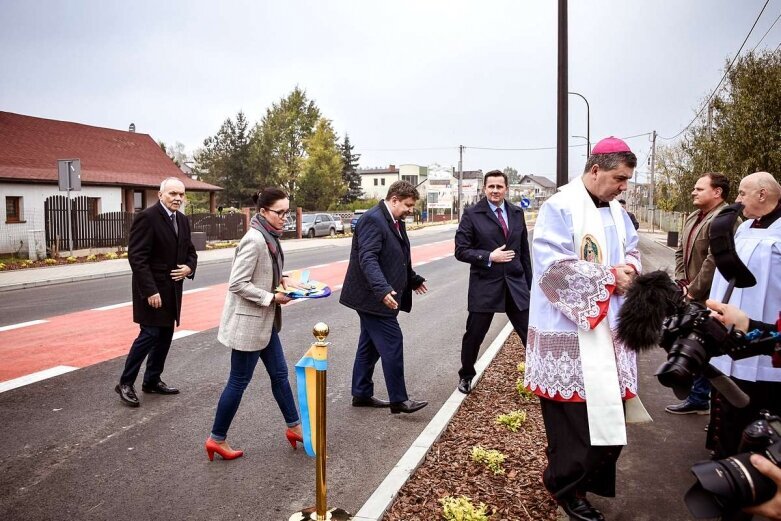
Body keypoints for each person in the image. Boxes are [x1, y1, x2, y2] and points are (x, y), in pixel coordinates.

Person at [524, 136, 642, 521]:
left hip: (610, 332)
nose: (623, 186)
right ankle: (566, 489)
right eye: (619, 178)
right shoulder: (560, 207)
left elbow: (633, 251)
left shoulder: (618, 212)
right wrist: (610, 277)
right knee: (575, 425)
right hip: (570, 333)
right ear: (595, 170)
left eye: (626, 180)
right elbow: (551, 268)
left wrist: (631, 271)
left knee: (609, 418)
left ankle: (578, 479)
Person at [205, 188, 303, 461]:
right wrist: (272, 297)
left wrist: (282, 278)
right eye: (280, 212)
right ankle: (216, 439)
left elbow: (262, 271)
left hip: (264, 322)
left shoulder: (268, 236)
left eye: (287, 212)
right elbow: (237, 283)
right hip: (250, 324)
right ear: (263, 212)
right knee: (238, 381)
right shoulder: (255, 240)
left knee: (280, 375)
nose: (285, 217)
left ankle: (295, 428)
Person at [707, 171, 781, 460]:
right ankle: (724, 458)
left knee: (759, 406)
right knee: (729, 404)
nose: (737, 200)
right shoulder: (744, 227)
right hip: (732, 325)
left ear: (762, 194)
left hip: (767, 335)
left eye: (742, 193)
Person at [340, 180, 429, 414]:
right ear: (394, 200)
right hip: (373, 296)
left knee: (369, 345)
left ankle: (361, 393)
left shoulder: (395, 220)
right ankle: (399, 400)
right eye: (408, 205)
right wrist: (382, 290)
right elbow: (367, 258)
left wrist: (413, 278)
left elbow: (396, 258)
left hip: (378, 294)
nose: (411, 210)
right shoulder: (373, 219)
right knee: (392, 342)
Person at [115, 177, 197, 407]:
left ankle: (151, 380)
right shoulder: (147, 218)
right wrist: (150, 290)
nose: (177, 198)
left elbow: (190, 251)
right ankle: (125, 383)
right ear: (160, 195)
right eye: (172, 194)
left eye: (181, 194)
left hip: (172, 290)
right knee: (149, 335)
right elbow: (137, 257)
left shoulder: (182, 219)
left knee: (164, 337)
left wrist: (189, 267)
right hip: (152, 290)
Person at [454, 170, 532, 394]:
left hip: (516, 285)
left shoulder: (517, 213)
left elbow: (524, 252)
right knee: (475, 334)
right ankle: (466, 375)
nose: (495, 190)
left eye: (499, 186)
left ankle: (539, 376)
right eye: (491, 187)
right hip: (485, 285)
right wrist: (489, 256)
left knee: (530, 333)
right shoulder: (472, 214)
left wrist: (530, 285)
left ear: (506, 188)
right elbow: (461, 250)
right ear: (484, 189)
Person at [666, 172, 732, 415]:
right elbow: (679, 251)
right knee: (689, 343)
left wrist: (693, 291)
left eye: (699, 189)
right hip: (691, 292)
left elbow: (713, 260)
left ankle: (703, 400)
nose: (693, 192)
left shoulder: (725, 219)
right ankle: (698, 397)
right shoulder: (694, 216)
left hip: (711, 296)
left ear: (717, 192)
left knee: (706, 348)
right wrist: (682, 281)